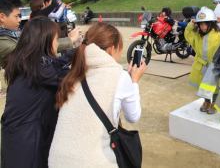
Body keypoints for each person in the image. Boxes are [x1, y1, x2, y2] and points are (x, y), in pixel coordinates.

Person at [48, 23, 147, 168]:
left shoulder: (74, 72)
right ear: (112, 48)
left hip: (56, 161)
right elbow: (133, 116)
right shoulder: (119, 76)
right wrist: (134, 81)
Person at [1, 17, 72, 168]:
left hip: (18, 137)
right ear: (45, 41)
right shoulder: (38, 68)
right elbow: (70, 78)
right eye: (56, 39)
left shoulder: (26, 61)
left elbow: (55, 64)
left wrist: (74, 53)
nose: (57, 43)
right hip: (28, 141)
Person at [184, 7, 220, 114]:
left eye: (206, 24)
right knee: (203, 85)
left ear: (212, 23)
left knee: (215, 86)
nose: (203, 27)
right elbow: (187, 34)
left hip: (214, 66)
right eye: (200, 24)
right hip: (201, 65)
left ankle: (214, 103)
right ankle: (206, 101)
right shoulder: (197, 36)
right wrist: (191, 25)